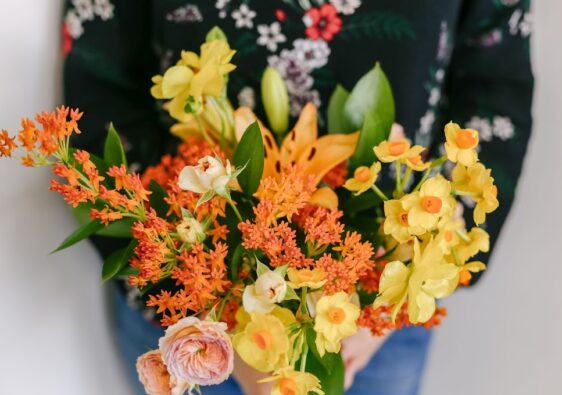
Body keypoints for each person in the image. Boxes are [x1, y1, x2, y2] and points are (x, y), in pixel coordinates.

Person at [62, 1, 534, 394]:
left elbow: (495, 92)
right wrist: (210, 311)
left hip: (375, 329)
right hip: (188, 313)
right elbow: (99, 83)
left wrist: (393, 293)